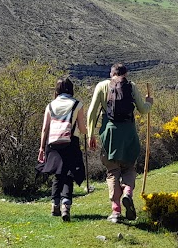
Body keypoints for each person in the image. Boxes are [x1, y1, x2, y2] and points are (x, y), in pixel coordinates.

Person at [87, 63, 153, 223]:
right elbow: (143, 110)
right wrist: (149, 101)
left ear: (111, 73)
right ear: (126, 74)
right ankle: (128, 193)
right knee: (129, 167)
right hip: (129, 132)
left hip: (110, 133)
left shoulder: (102, 86)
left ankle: (116, 211)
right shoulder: (131, 86)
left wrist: (91, 134)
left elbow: (92, 112)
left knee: (112, 171)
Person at [37, 77, 87, 221]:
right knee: (69, 174)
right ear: (71, 89)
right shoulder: (77, 104)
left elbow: (45, 128)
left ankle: (55, 205)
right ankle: (66, 205)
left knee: (58, 175)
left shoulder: (50, 105)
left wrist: (41, 148)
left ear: (57, 90)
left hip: (53, 143)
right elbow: (82, 129)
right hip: (70, 142)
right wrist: (86, 132)